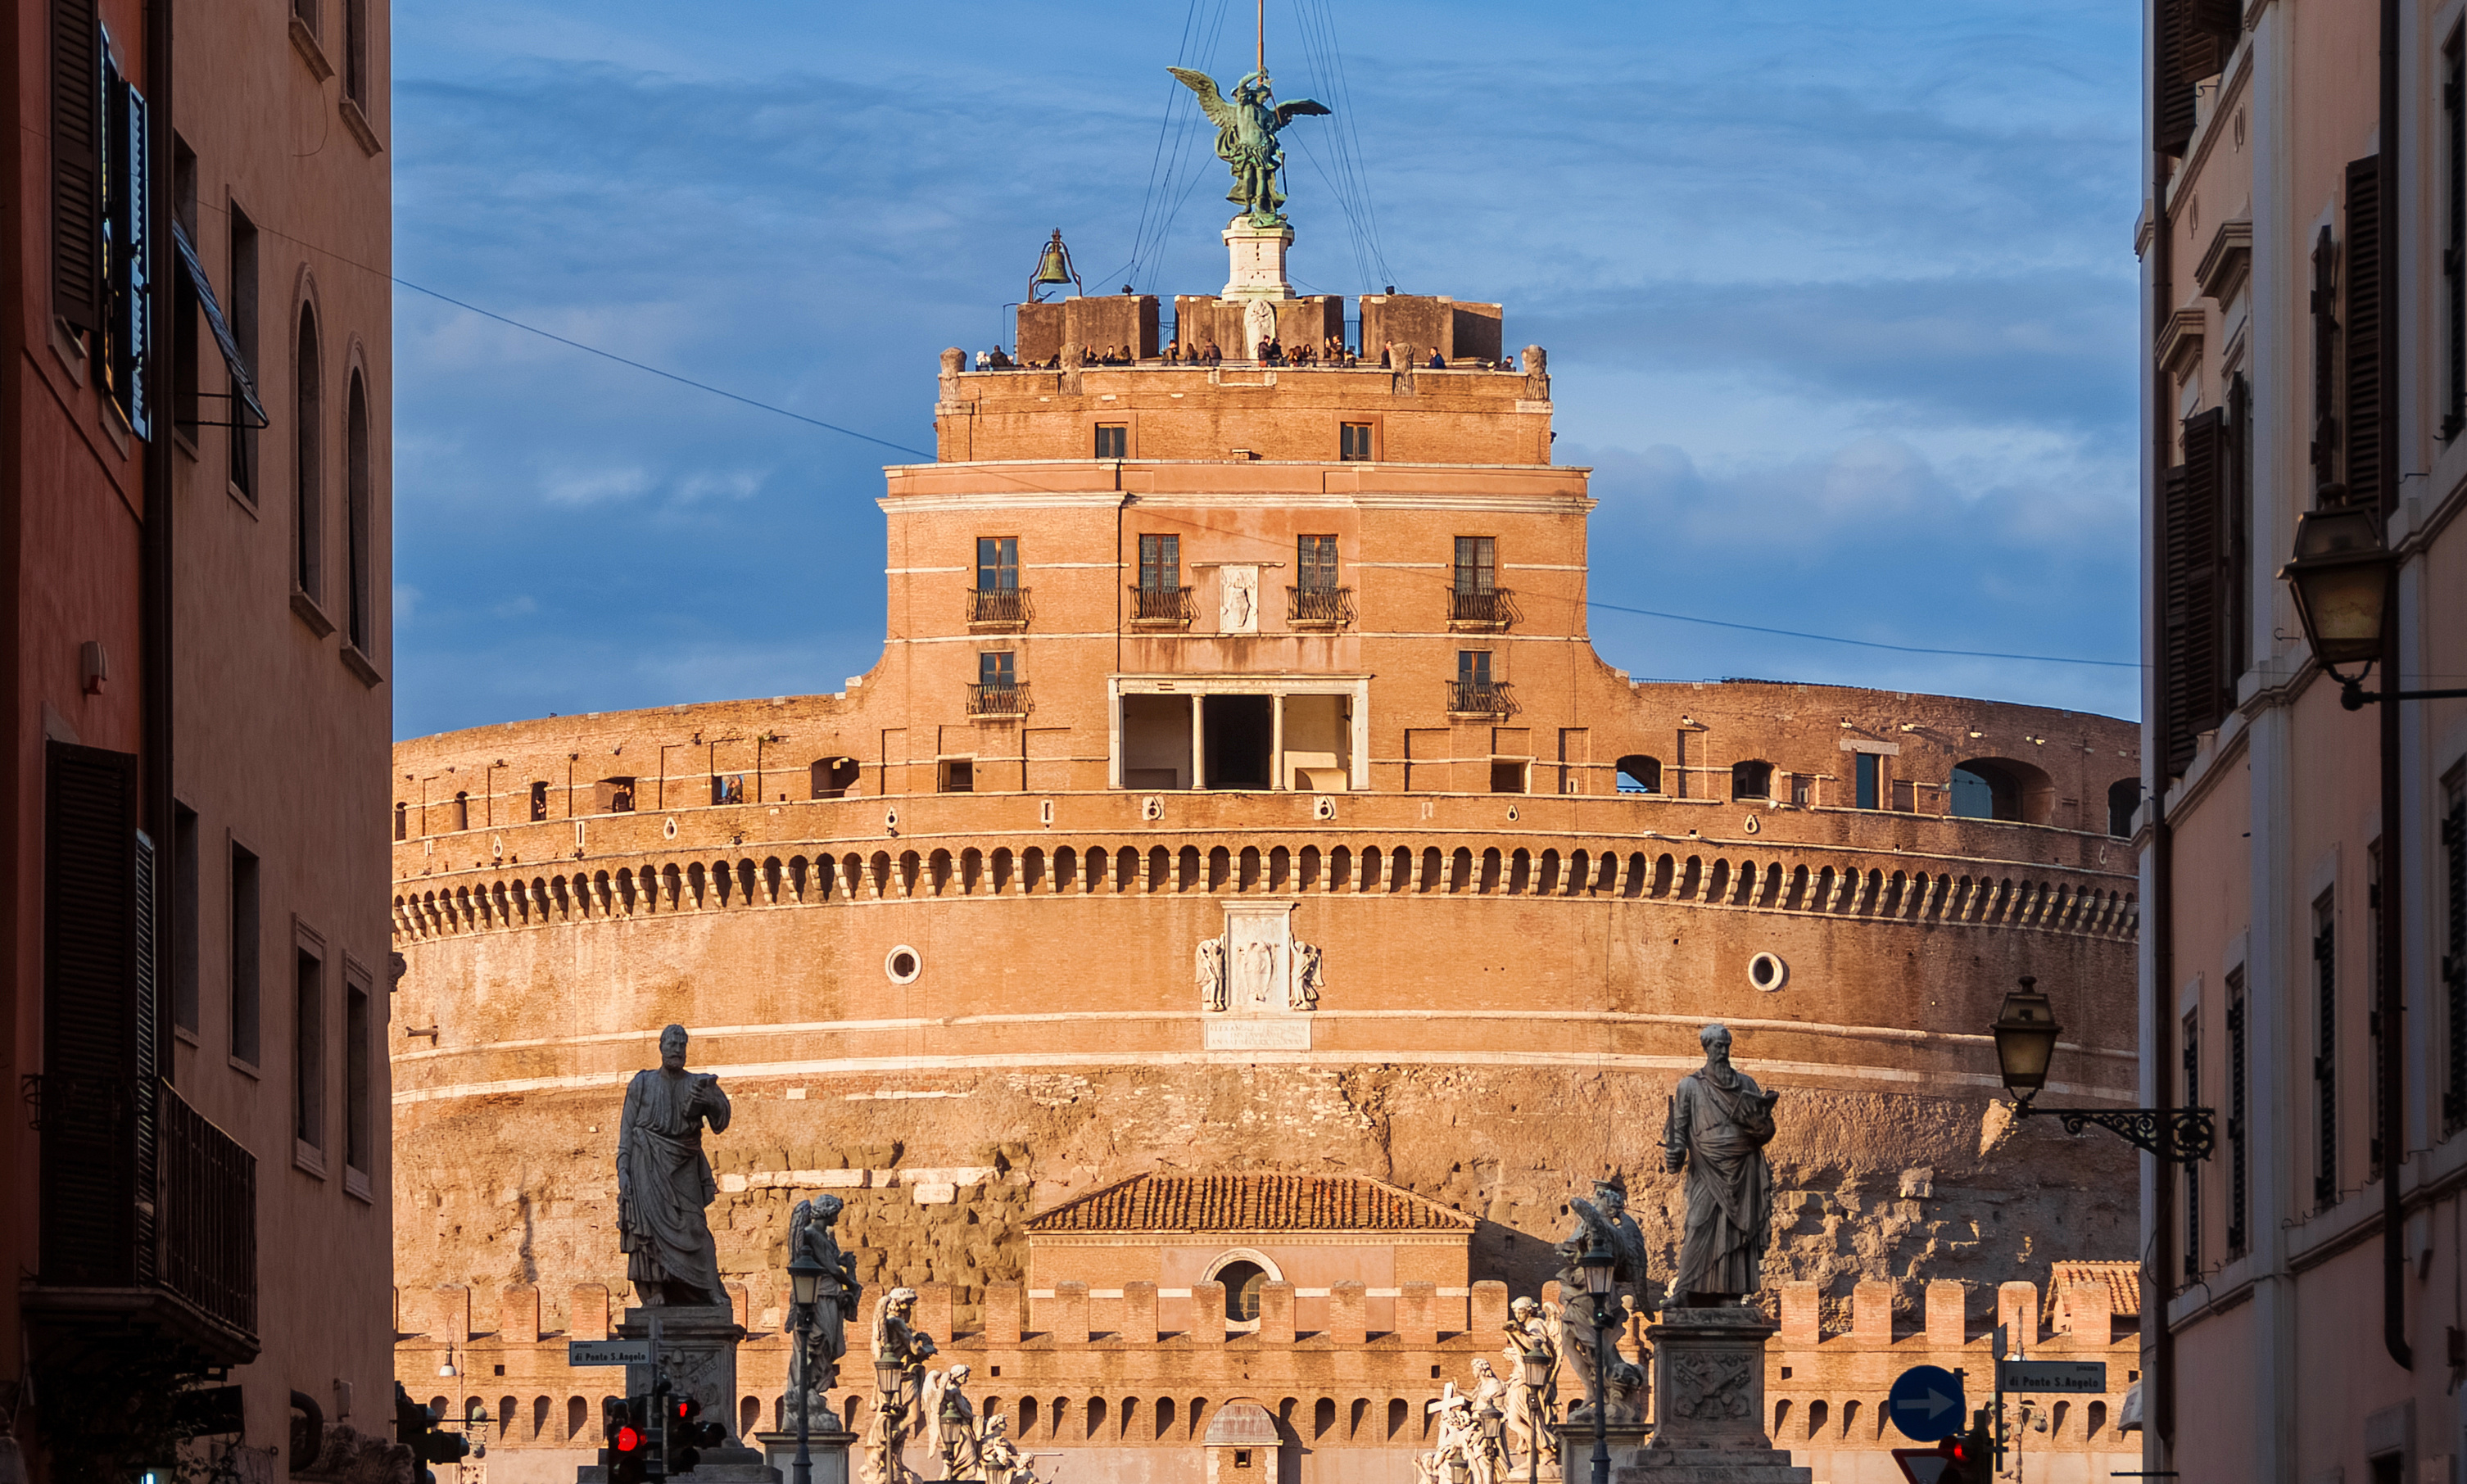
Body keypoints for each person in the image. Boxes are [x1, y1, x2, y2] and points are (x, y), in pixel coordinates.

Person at [616, 1025, 731, 1306]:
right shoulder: (642, 1083)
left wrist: (711, 1102)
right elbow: (626, 1131)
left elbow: (721, 1122)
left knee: (695, 1225)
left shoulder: (698, 1084)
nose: (677, 1049)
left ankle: (709, 1287)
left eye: (682, 1045)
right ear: (661, 1047)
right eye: (671, 1044)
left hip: (685, 1165)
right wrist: (623, 1171)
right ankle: (656, 1290)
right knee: (649, 1230)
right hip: (647, 1164)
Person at [1664, 1023, 1780, 1301]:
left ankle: (1732, 1294)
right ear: (1707, 1048)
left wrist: (1761, 1124)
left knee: (1737, 1230)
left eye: (1726, 1045)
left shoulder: (1747, 1084)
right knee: (1698, 1222)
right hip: (1706, 1164)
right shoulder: (1690, 1086)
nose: (1723, 1051)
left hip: (1743, 1165)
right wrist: (1676, 1152)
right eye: (1718, 1045)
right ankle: (1686, 1290)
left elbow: (1765, 1132)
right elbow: (1677, 1129)